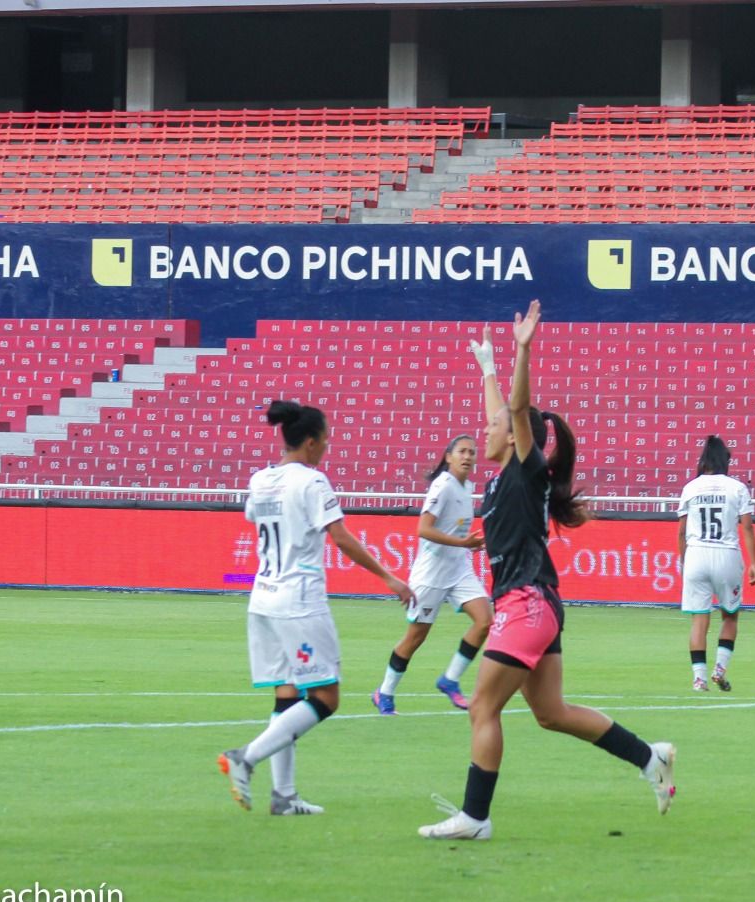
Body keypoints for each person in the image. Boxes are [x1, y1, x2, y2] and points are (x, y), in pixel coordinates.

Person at [419, 302, 675, 842]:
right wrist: (487, 368)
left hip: (526, 604)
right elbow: (504, 413)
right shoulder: (502, 473)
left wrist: (523, 350)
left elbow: (514, 410)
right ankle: (650, 757)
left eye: (493, 425)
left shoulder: (523, 467)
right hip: (540, 606)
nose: (480, 432)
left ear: (515, 436)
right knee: (551, 712)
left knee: (483, 706)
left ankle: (475, 817)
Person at [218, 400, 413, 815]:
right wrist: (389, 577)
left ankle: (284, 797)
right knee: (326, 696)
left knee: (287, 696)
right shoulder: (312, 482)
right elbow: (340, 537)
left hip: (263, 599)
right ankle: (245, 758)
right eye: (325, 440)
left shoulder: (260, 480)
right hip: (299, 599)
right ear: (309, 443)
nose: (326, 447)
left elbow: (256, 518)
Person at [372, 434, 493, 714]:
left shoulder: (466, 488)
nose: (467, 457)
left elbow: (455, 530)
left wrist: (468, 545)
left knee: (485, 620)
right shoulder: (443, 487)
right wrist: (463, 543)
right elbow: (423, 529)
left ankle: (450, 680)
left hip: (459, 568)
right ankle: (384, 692)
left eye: (472, 452)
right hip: (431, 572)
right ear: (449, 456)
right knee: (416, 637)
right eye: (462, 451)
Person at [676, 435, 755, 692]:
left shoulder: (691, 488)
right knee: (730, 616)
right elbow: (747, 527)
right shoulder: (737, 488)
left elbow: (681, 532)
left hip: (696, 555)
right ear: (726, 461)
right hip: (726, 555)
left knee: (699, 620)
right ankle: (719, 669)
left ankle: (698, 678)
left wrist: (684, 559)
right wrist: (754, 562)